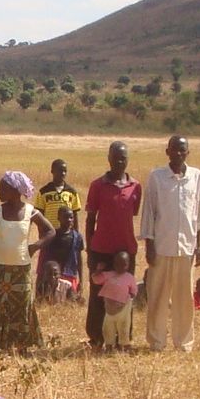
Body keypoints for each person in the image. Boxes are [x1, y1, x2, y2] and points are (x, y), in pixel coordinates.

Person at [140, 136, 200, 352]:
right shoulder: (156, 177)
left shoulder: (196, 177)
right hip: (161, 246)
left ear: (188, 153)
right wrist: (149, 245)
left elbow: (199, 214)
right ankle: (157, 342)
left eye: (183, 150)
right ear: (167, 152)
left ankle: (184, 342)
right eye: (174, 150)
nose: (178, 154)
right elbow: (149, 213)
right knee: (158, 297)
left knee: (184, 299)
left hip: (186, 248)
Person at [0, 170, 53, 355]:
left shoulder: (30, 212)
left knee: (22, 305)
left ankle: (22, 344)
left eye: (2, 189)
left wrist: (35, 246)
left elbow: (50, 230)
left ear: (15, 190)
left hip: (22, 268)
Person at [84, 141, 141, 351]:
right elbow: (90, 219)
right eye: (116, 157)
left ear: (128, 160)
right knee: (99, 294)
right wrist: (89, 250)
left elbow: (132, 213)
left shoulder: (135, 186)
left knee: (125, 296)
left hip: (126, 251)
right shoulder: (97, 185)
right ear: (108, 158)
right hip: (101, 249)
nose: (120, 161)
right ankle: (97, 336)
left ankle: (122, 338)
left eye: (123, 158)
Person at [33, 159, 81, 296]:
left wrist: (75, 235)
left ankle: (67, 294)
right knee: (45, 265)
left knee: (65, 266)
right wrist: (42, 236)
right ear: (52, 171)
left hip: (66, 235)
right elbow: (39, 215)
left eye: (65, 170)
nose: (63, 173)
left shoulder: (71, 192)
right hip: (50, 235)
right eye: (60, 170)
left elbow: (75, 215)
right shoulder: (44, 192)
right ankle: (40, 293)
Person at [94, 252, 138, 352]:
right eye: (118, 264)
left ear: (128, 265)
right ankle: (109, 345)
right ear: (114, 264)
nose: (121, 267)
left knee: (124, 326)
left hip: (124, 307)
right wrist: (98, 270)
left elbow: (134, 290)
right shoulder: (109, 275)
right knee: (108, 327)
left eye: (124, 264)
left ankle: (124, 345)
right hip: (109, 307)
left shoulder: (129, 277)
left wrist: (130, 296)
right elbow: (96, 280)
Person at [41, 207, 85, 303]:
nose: (69, 220)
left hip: (70, 273)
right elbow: (46, 257)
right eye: (65, 217)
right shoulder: (53, 235)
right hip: (54, 274)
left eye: (71, 217)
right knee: (52, 300)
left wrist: (81, 279)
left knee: (70, 300)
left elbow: (79, 259)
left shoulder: (77, 237)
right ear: (58, 218)